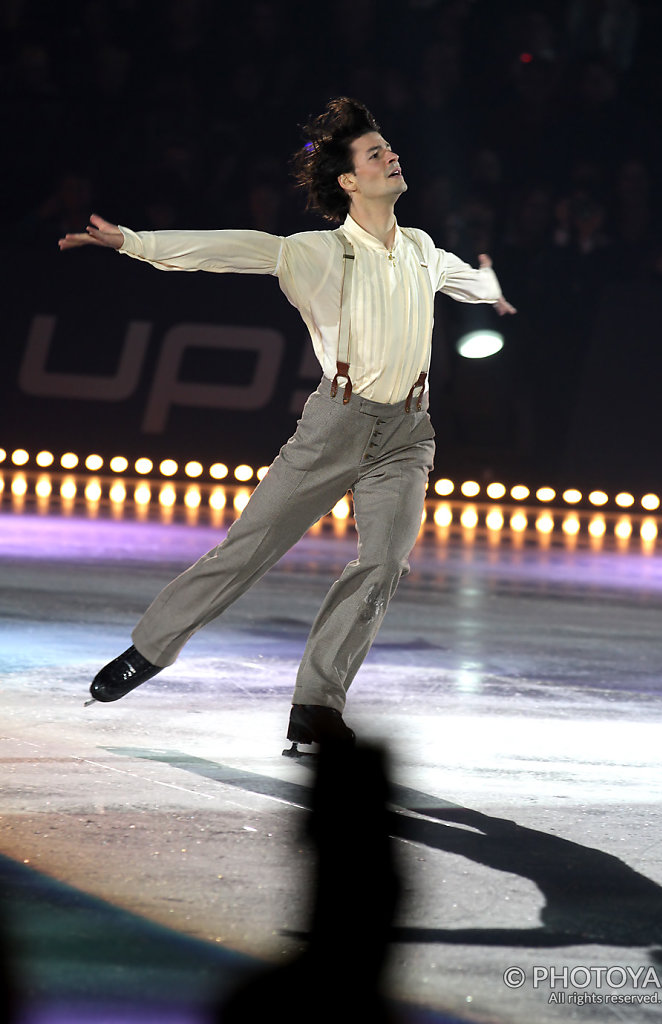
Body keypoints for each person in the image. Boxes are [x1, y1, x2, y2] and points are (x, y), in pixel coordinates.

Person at [59, 97, 515, 755]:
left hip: (408, 435)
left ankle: (316, 706)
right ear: (348, 181)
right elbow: (240, 250)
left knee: (384, 563)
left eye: (390, 148)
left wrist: (493, 286)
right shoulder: (320, 253)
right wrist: (137, 243)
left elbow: (469, 282)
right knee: (251, 547)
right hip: (337, 426)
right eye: (374, 154)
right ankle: (151, 648)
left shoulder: (420, 249)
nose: (391, 157)